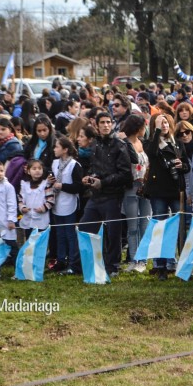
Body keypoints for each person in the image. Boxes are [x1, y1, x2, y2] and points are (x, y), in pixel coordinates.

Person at [75, 112, 132, 276]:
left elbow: (125, 174)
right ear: (97, 126)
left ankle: (113, 266)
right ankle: (85, 264)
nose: (106, 125)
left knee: (113, 234)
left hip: (113, 196)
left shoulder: (120, 145)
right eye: (103, 123)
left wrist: (104, 182)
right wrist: (91, 177)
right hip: (95, 196)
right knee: (85, 229)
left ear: (112, 124)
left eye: (108, 122)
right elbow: (94, 167)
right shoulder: (95, 145)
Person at [144, 113, 190, 279]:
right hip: (158, 192)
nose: (164, 125)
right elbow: (152, 153)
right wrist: (156, 131)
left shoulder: (177, 143)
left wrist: (181, 165)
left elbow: (187, 166)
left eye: (165, 122)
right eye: (160, 123)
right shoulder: (151, 142)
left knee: (180, 228)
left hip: (176, 190)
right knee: (160, 228)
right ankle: (161, 265)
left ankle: (181, 263)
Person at [118, 115, 152, 273]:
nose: (145, 130)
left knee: (144, 224)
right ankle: (134, 258)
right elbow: (132, 160)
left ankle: (143, 259)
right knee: (132, 226)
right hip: (131, 188)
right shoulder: (125, 144)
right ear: (137, 128)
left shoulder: (142, 143)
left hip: (145, 188)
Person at [49, 136, 83, 273]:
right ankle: (61, 260)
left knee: (70, 234)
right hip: (57, 202)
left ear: (65, 149)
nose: (55, 149)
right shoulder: (55, 163)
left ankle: (73, 262)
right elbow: (52, 177)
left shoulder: (74, 165)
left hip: (69, 203)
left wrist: (62, 185)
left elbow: (78, 187)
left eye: (57, 146)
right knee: (60, 234)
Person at [18, 159, 54, 239]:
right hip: (28, 219)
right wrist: (23, 208)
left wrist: (43, 208)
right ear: (28, 171)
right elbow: (20, 199)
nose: (37, 171)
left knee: (40, 243)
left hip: (41, 220)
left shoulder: (46, 184)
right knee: (29, 242)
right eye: (34, 169)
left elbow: (51, 200)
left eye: (39, 168)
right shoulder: (24, 185)